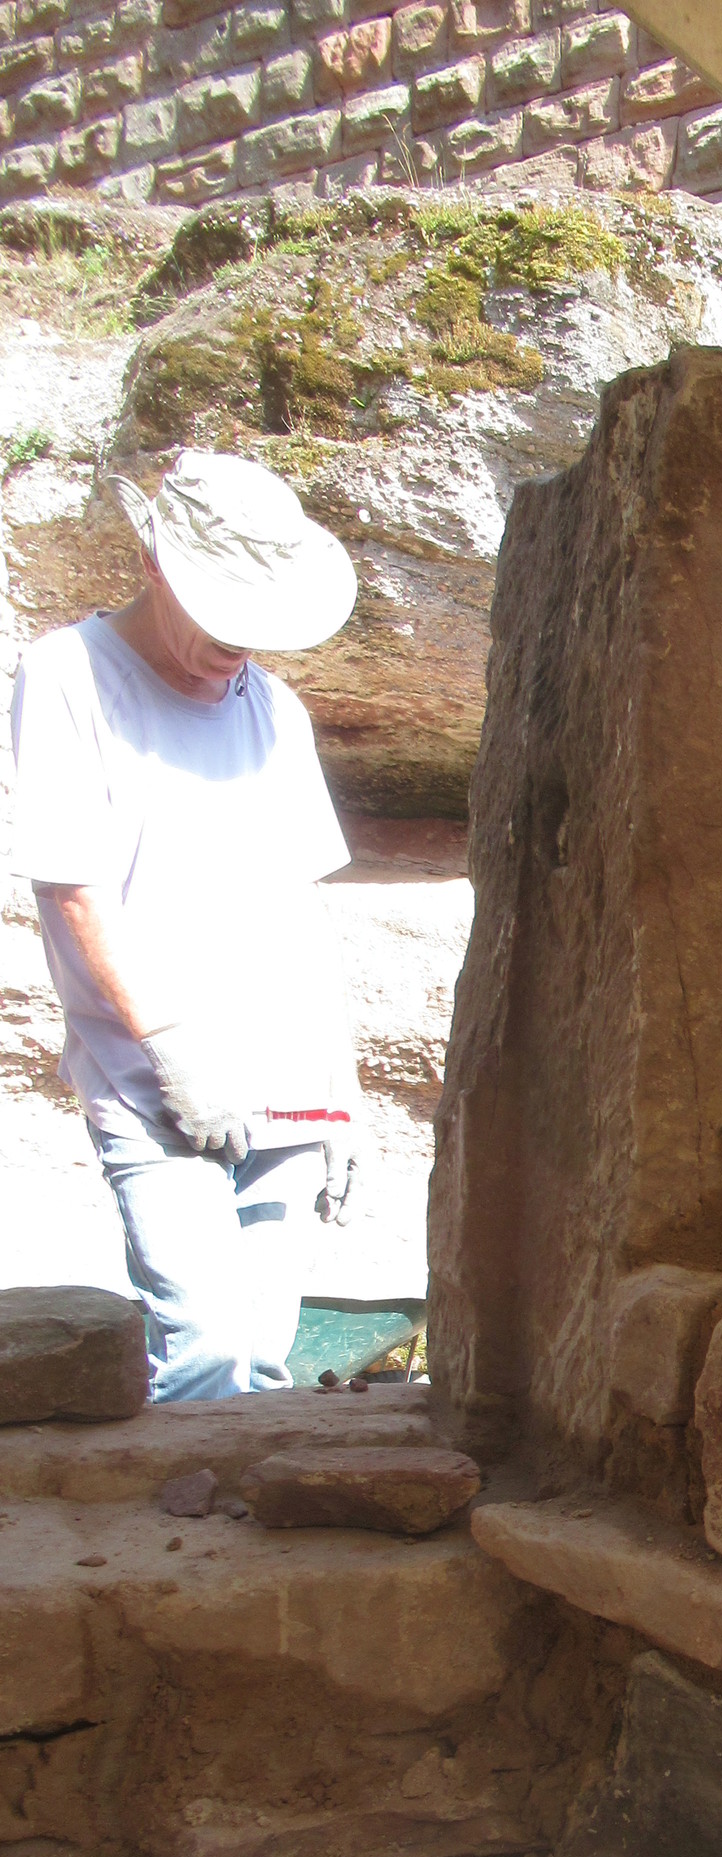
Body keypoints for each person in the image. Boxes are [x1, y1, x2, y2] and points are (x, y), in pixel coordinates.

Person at [13, 450, 366, 1402]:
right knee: (206, 1346)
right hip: (156, 1080)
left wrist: (342, 1089)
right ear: (155, 565)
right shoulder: (68, 676)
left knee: (264, 1355)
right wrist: (170, 1050)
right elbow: (75, 888)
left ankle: (237, 1505)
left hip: (287, 1074)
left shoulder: (273, 709)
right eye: (222, 614)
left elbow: (302, 903)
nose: (238, 643)